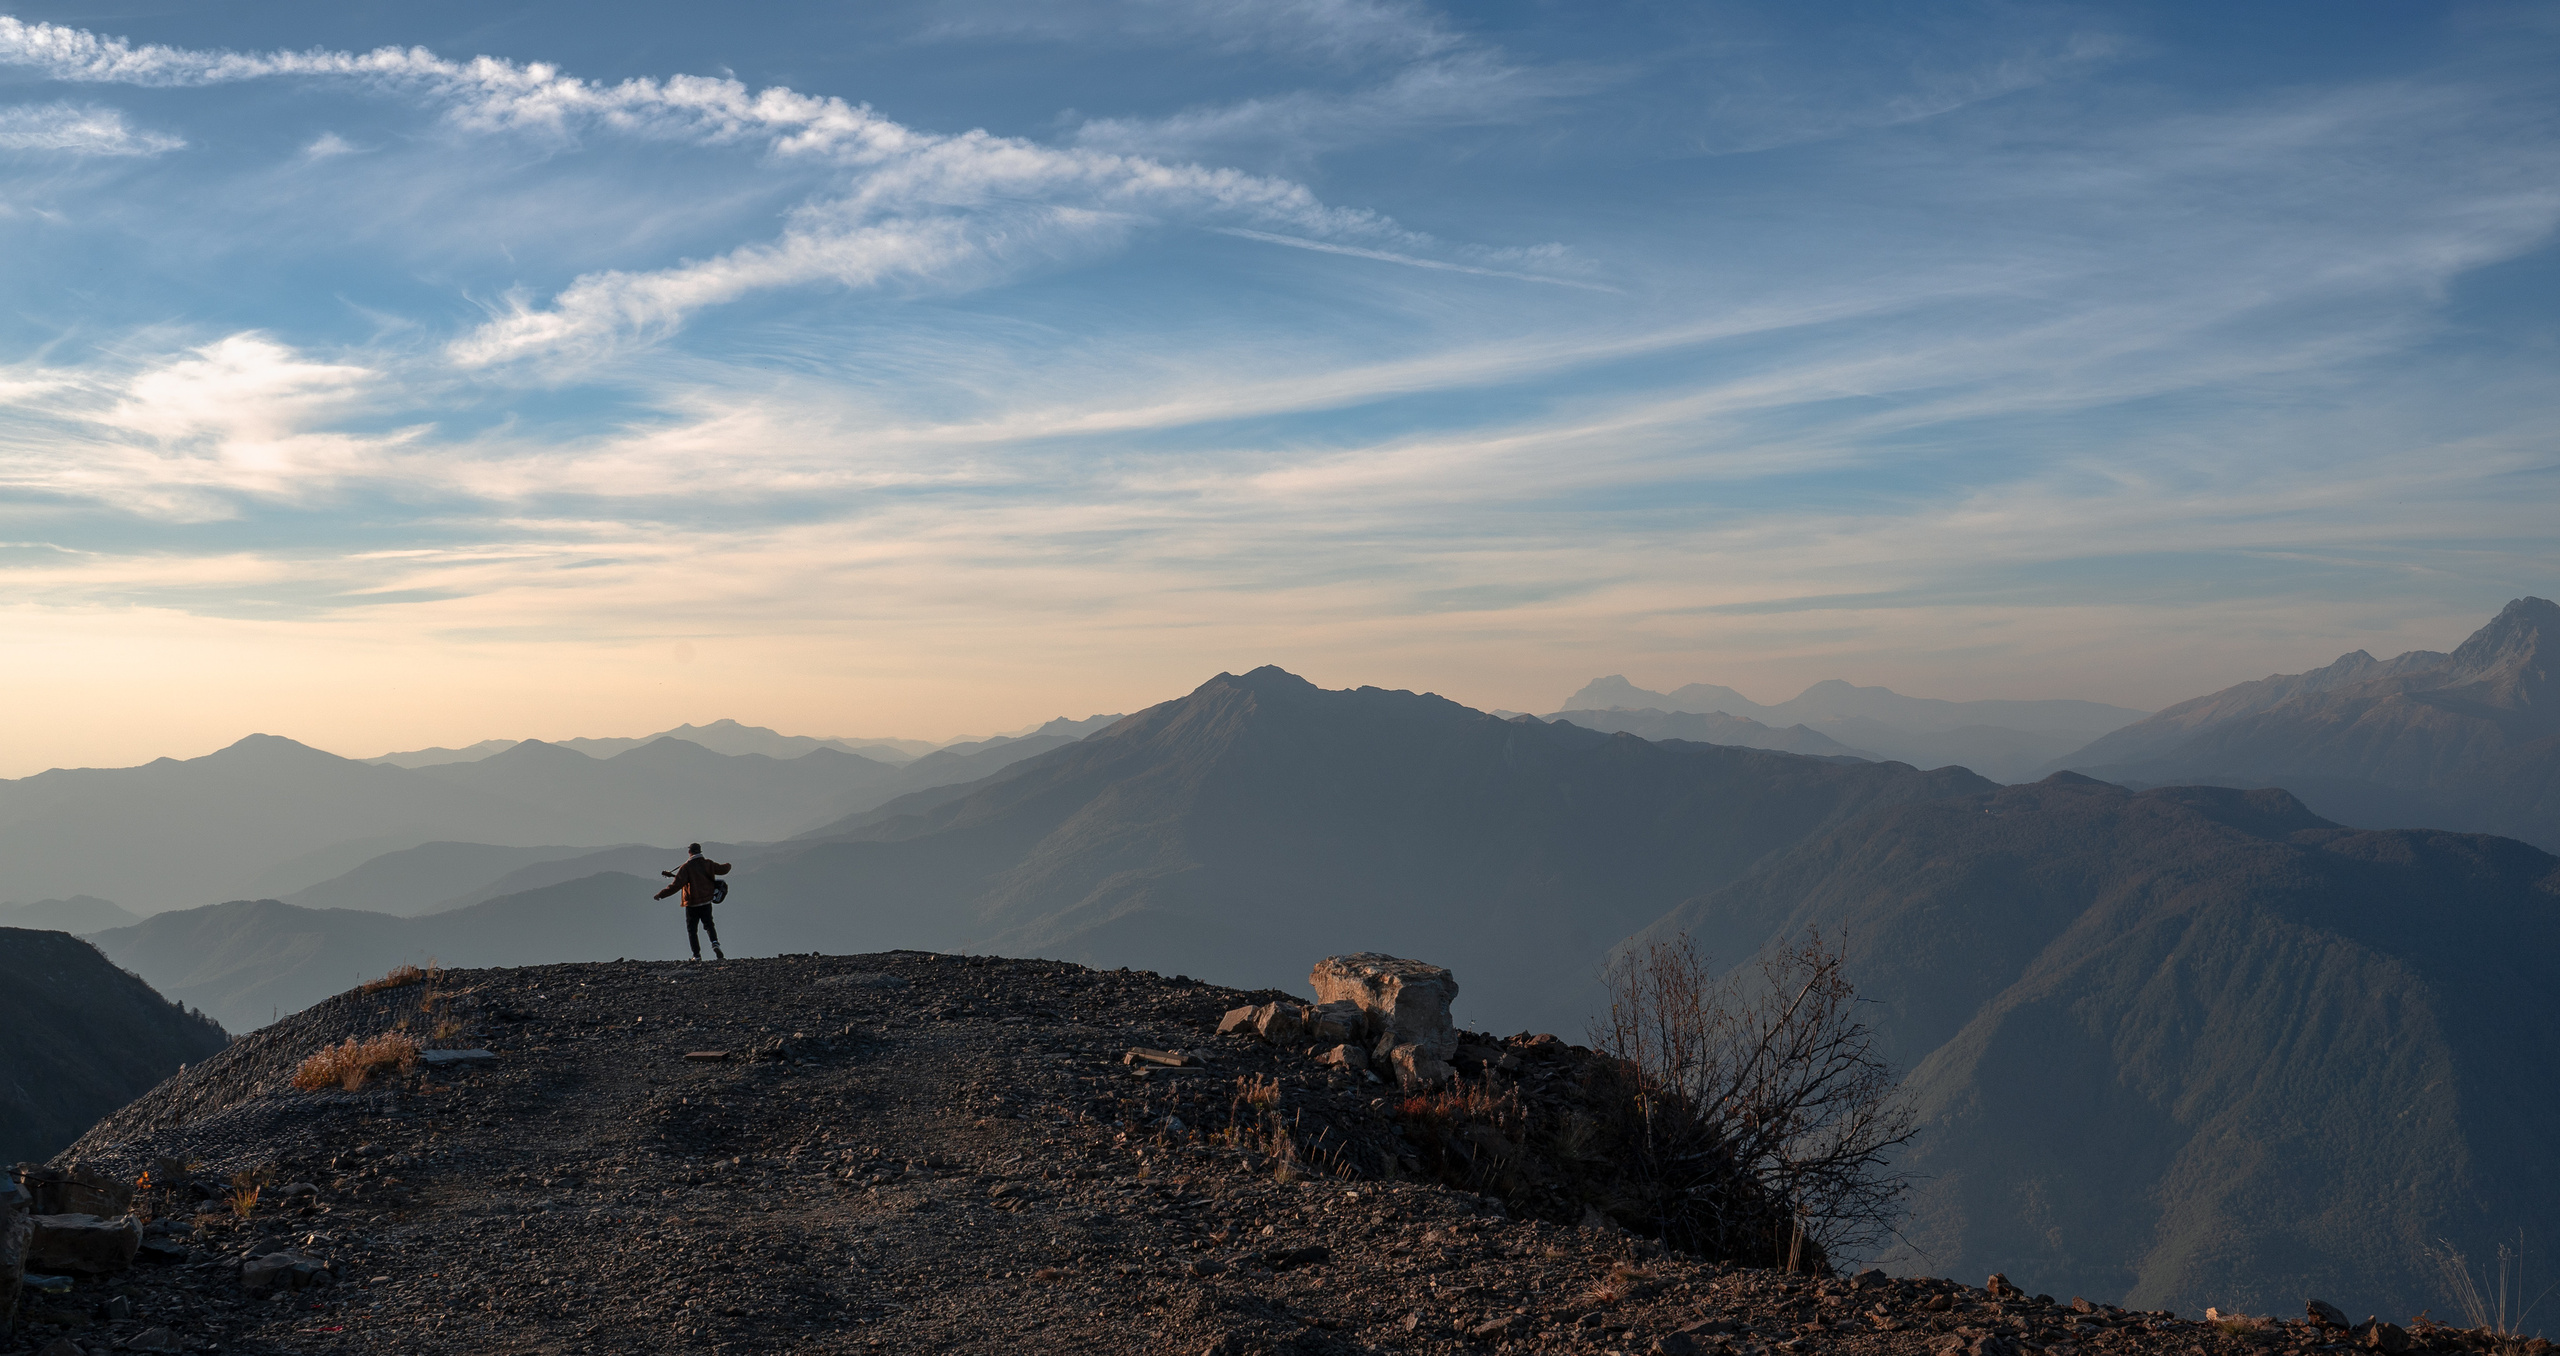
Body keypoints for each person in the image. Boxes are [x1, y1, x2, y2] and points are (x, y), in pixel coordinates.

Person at [654, 843, 731, 961]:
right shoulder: (708, 864)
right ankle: (715, 943)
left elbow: (676, 885)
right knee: (709, 925)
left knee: (692, 930)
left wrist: (661, 894)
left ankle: (696, 955)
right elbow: (723, 869)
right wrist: (729, 865)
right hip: (706, 901)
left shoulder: (685, 867)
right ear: (700, 851)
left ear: (689, 852)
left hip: (692, 903)